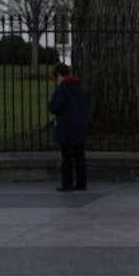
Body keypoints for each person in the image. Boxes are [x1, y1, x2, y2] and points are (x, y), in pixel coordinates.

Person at [49, 62, 90, 192]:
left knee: (66, 158)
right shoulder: (80, 87)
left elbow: (55, 107)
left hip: (66, 128)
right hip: (80, 127)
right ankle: (81, 183)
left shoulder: (62, 88)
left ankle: (67, 183)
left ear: (60, 76)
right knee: (80, 157)